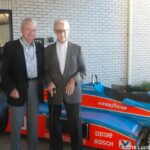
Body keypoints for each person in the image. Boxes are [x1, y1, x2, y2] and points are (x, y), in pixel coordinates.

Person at [2, 17, 44, 150]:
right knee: (16, 123)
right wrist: (11, 89)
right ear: (21, 30)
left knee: (33, 123)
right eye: (28, 29)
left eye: (34, 30)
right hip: (17, 90)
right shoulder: (10, 47)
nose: (31, 32)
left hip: (35, 86)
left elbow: (44, 69)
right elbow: (4, 72)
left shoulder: (40, 47)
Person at [44, 19, 86, 150]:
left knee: (75, 127)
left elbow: (83, 71)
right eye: (59, 30)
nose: (62, 33)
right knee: (54, 126)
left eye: (65, 30)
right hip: (54, 92)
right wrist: (49, 82)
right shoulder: (48, 50)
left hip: (72, 92)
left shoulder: (77, 49)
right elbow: (44, 71)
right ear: (55, 31)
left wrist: (74, 80)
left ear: (69, 30)